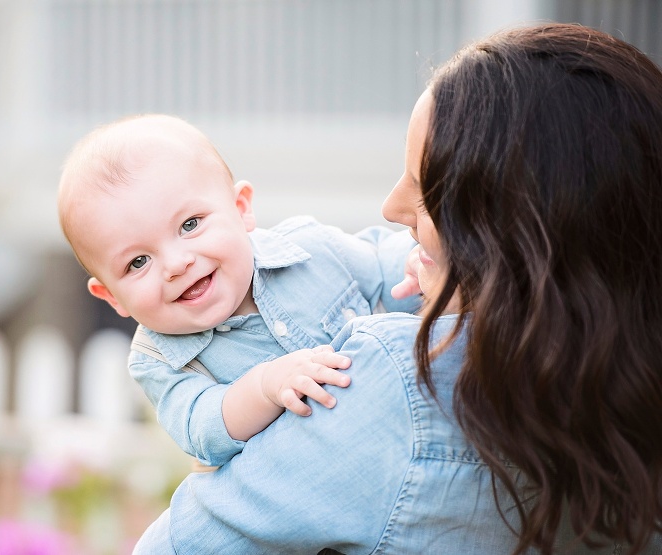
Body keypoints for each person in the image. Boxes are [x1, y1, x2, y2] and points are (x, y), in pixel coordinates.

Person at [132, 23, 662, 555]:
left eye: (427, 190)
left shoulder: (397, 382)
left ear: (519, 230)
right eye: (137, 261)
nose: (392, 208)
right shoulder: (630, 385)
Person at [57, 114, 421, 467]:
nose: (176, 264)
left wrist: (418, 264)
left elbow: (386, 265)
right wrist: (264, 387)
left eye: (189, 225)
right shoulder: (159, 358)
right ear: (111, 297)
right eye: (138, 262)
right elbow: (202, 429)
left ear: (241, 208)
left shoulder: (310, 248)